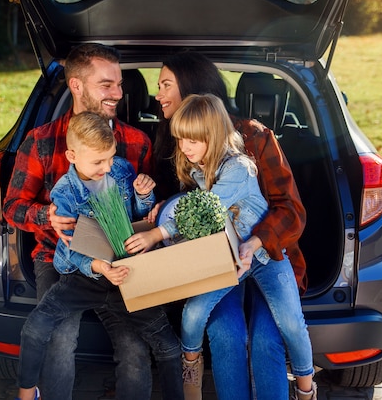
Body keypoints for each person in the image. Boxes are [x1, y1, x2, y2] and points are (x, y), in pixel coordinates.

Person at [3, 43, 168, 400]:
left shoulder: (137, 142)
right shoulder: (42, 141)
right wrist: (45, 215)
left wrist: (147, 198)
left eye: (120, 84)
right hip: (57, 259)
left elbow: (146, 214)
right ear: (76, 85)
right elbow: (12, 208)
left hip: (121, 261)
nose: (118, 93)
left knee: (136, 349)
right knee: (59, 339)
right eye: (106, 84)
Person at [126, 94, 315, 400]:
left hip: (265, 256)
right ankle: (191, 367)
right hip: (229, 257)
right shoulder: (198, 168)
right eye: (181, 139)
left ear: (212, 135)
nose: (184, 148)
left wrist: (156, 234)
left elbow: (202, 206)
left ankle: (307, 389)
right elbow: (189, 207)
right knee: (193, 314)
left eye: (192, 140)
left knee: (291, 322)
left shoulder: (240, 167)